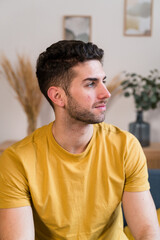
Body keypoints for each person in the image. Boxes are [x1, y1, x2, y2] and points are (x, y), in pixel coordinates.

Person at [0, 40, 159, 240]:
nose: (106, 93)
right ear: (58, 96)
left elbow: (147, 231)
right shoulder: (17, 160)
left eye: (103, 80)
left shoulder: (125, 146)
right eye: (91, 84)